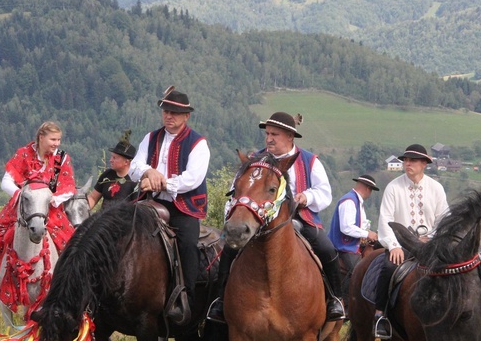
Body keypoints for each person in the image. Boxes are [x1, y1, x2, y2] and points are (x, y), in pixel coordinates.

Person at [209, 111, 346, 324]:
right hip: (258, 221)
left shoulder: (310, 161)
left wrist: (306, 196)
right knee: (228, 247)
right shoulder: (254, 160)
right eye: (267, 134)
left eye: (275, 134)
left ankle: (336, 299)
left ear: (290, 137)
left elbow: (325, 193)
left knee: (327, 249)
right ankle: (219, 301)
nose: (269, 138)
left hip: (300, 219)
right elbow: (236, 188)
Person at [0, 121, 76, 308]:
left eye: (58, 139)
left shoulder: (62, 159)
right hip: (22, 206)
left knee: (71, 244)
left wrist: (54, 199)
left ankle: (69, 293)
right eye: (53, 139)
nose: (56, 143)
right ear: (41, 137)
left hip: (50, 209)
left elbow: (69, 187)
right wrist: (21, 196)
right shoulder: (24, 154)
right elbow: (6, 181)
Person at [129, 86, 210, 325]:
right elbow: (134, 167)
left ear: (186, 116)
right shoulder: (150, 137)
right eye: (166, 111)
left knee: (187, 244)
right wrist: (148, 171)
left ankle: (186, 297)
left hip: (182, 205)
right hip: (149, 202)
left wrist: (163, 182)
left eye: (174, 112)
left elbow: (193, 178)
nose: (169, 116)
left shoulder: (198, 143)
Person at [373, 144, 448, 339]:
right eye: (405, 160)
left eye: (413, 160)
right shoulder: (393, 187)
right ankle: (380, 315)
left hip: (429, 244)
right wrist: (393, 245)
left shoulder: (436, 188)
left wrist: (431, 238)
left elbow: (443, 220)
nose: (407, 163)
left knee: (451, 270)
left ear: (424, 163)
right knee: (389, 267)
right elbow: (385, 219)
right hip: (402, 244)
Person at [327, 174, 379, 298]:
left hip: (351, 244)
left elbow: (360, 225)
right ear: (367, 189)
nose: (370, 193)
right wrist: (367, 234)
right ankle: (343, 300)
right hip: (343, 246)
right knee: (359, 271)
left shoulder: (356, 202)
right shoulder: (349, 201)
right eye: (370, 190)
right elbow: (346, 227)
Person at [87, 130, 137, 210]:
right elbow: (93, 198)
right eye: (111, 157)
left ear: (126, 162)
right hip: (103, 219)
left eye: (114, 158)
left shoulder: (134, 181)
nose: (110, 160)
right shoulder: (107, 175)